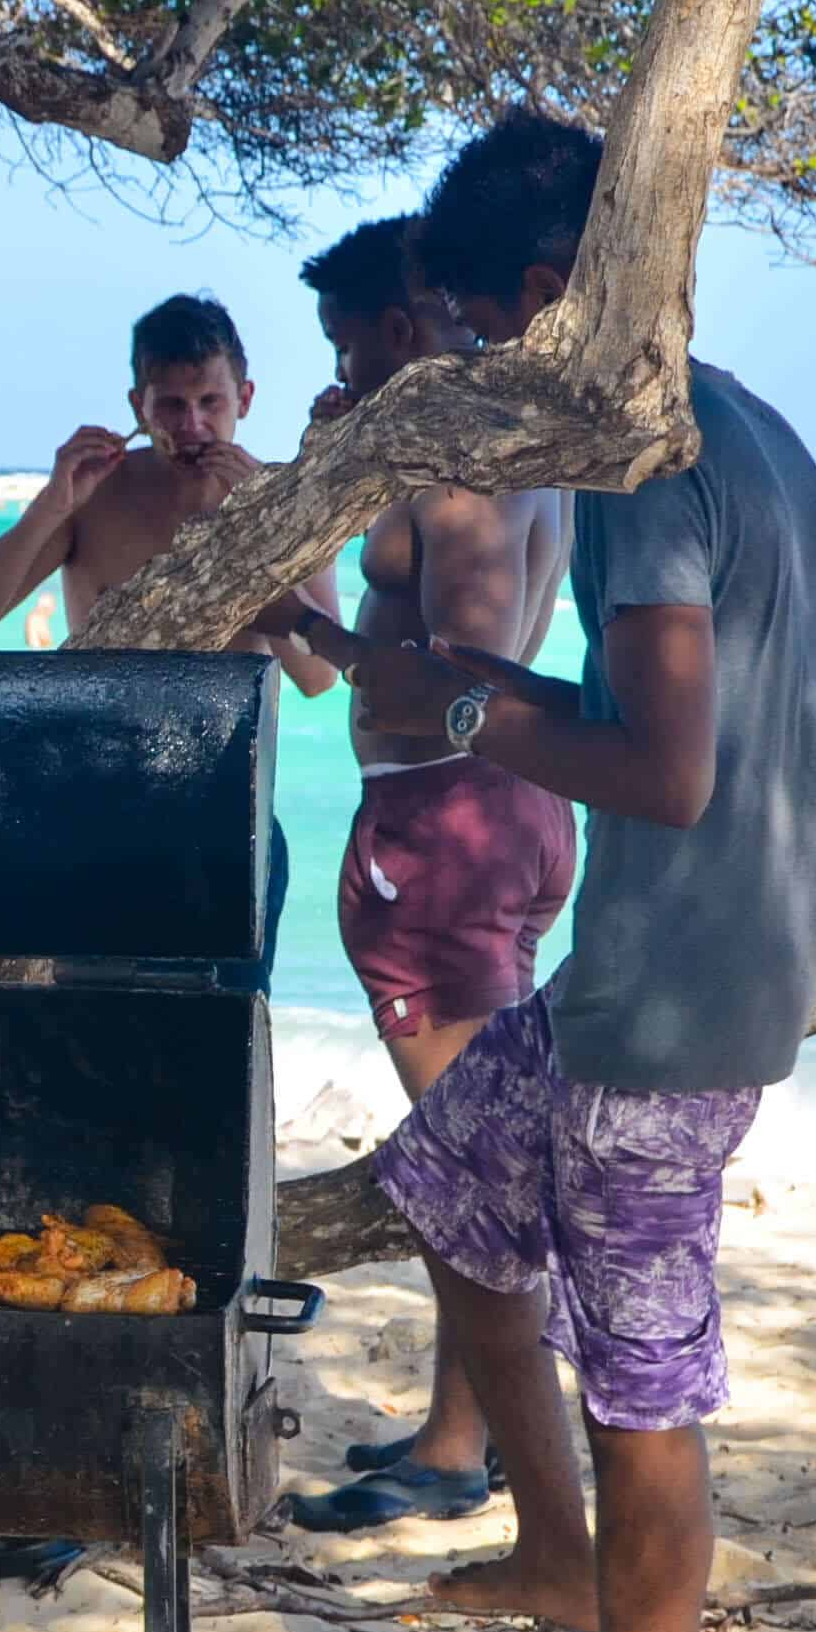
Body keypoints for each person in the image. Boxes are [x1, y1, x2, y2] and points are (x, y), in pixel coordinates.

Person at [327, 109, 816, 1632]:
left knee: (648, 1395)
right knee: (448, 1193)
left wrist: (467, 705)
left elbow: (668, 770)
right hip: (681, 960)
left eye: (484, 337)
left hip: (671, 1006)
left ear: (550, 294)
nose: (479, 378)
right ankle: (550, 1548)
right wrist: (482, 671)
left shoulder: (644, 471)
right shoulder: (755, 424)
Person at [266, 217, 578, 1535]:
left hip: (441, 826)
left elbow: (462, 661)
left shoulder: (453, 469)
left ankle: (462, 1447)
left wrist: (306, 626)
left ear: (400, 329)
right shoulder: (530, 437)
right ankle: (472, 1427)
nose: (342, 370)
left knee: (468, 1163)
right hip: (521, 815)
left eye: (349, 345)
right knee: (492, 1147)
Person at [0, 293, 281, 644]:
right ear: (138, 408)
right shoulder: (94, 496)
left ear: (245, 399)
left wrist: (264, 518)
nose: (192, 423)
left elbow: (315, 676)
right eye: (171, 405)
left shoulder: (286, 496)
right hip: (109, 701)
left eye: (210, 402)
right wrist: (51, 506)